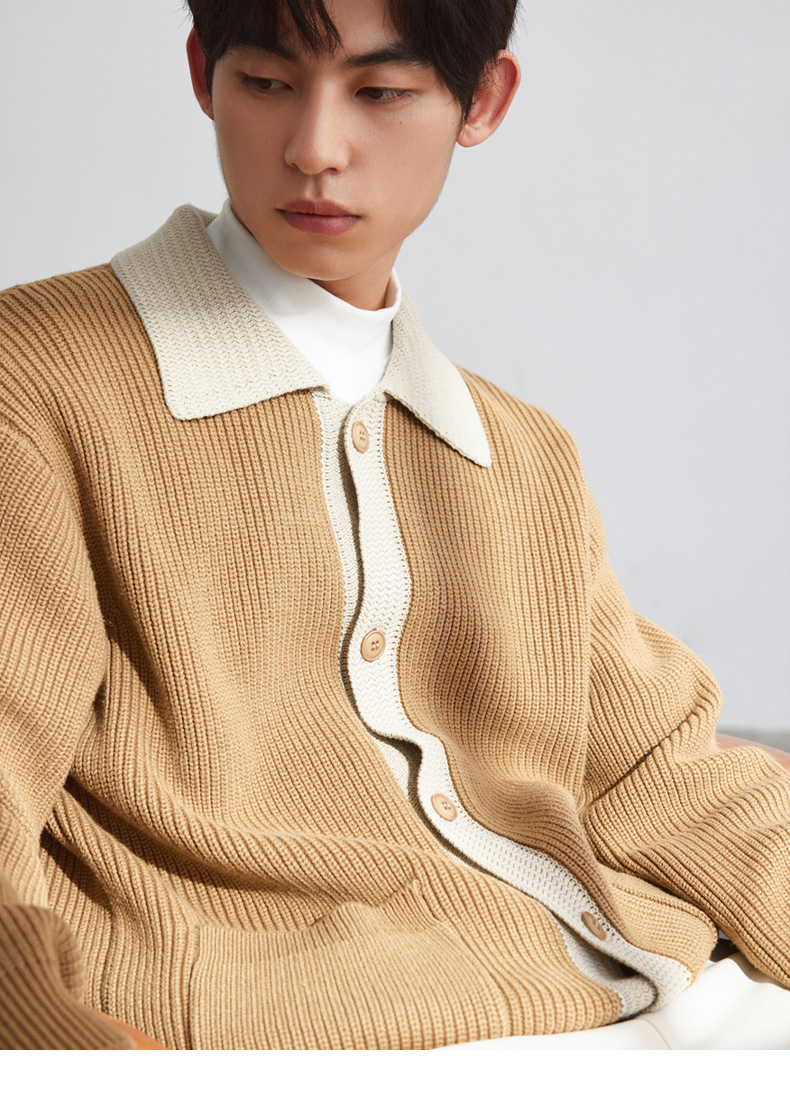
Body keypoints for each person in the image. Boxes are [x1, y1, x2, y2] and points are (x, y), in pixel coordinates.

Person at [0, 0, 787, 1051]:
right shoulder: (36, 385)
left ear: (482, 100)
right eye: (267, 83)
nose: (315, 149)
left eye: (380, 91)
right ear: (202, 74)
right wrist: (60, 1053)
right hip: (283, 1037)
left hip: (643, 989)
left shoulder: (516, 452)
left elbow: (661, 775)